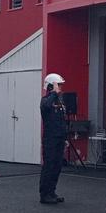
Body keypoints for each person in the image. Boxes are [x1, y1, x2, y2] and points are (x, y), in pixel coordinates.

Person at [39, 73, 67, 204]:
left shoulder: (59, 102)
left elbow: (62, 121)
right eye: (58, 85)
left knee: (57, 166)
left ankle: (52, 192)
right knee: (49, 166)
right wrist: (54, 93)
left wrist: (65, 138)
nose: (61, 88)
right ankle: (44, 194)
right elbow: (46, 106)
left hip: (59, 139)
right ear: (51, 86)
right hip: (50, 139)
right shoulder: (46, 100)